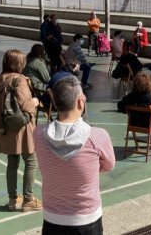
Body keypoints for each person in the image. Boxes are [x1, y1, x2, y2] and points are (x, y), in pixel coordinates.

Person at [34, 76, 115, 234]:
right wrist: (89, 167)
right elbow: (109, 165)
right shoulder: (97, 136)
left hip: (52, 218)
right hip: (87, 218)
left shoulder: (38, 134)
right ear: (80, 102)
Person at [0, 50, 42, 212]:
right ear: (18, 64)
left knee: (12, 162)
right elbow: (26, 105)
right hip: (22, 126)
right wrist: (34, 102)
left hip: (6, 126)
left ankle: (13, 199)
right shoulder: (19, 80)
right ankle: (28, 199)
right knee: (31, 160)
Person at [118, 72, 151, 145]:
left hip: (134, 123)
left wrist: (127, 110)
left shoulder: (130, 96)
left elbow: (120, 105)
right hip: (150, 124)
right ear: (148, 84)